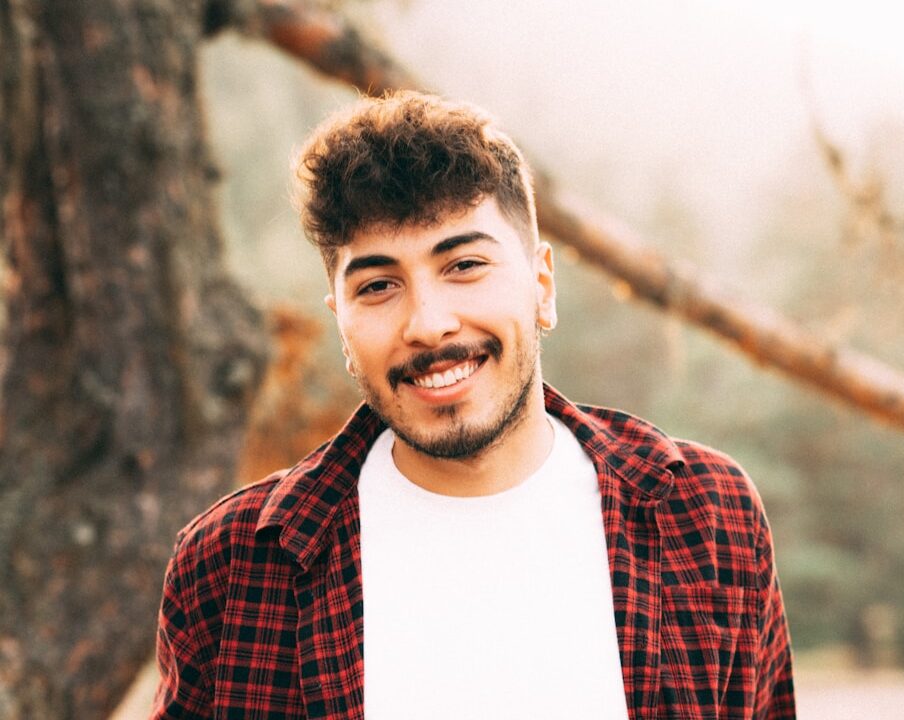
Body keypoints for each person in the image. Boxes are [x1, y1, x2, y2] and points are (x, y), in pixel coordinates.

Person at [152, 91, 795, 719]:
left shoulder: (705, 515)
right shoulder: (229, 570)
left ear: (541, 285)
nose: (428, 324)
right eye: (378, 286)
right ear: (341, 325)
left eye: (463, 265)